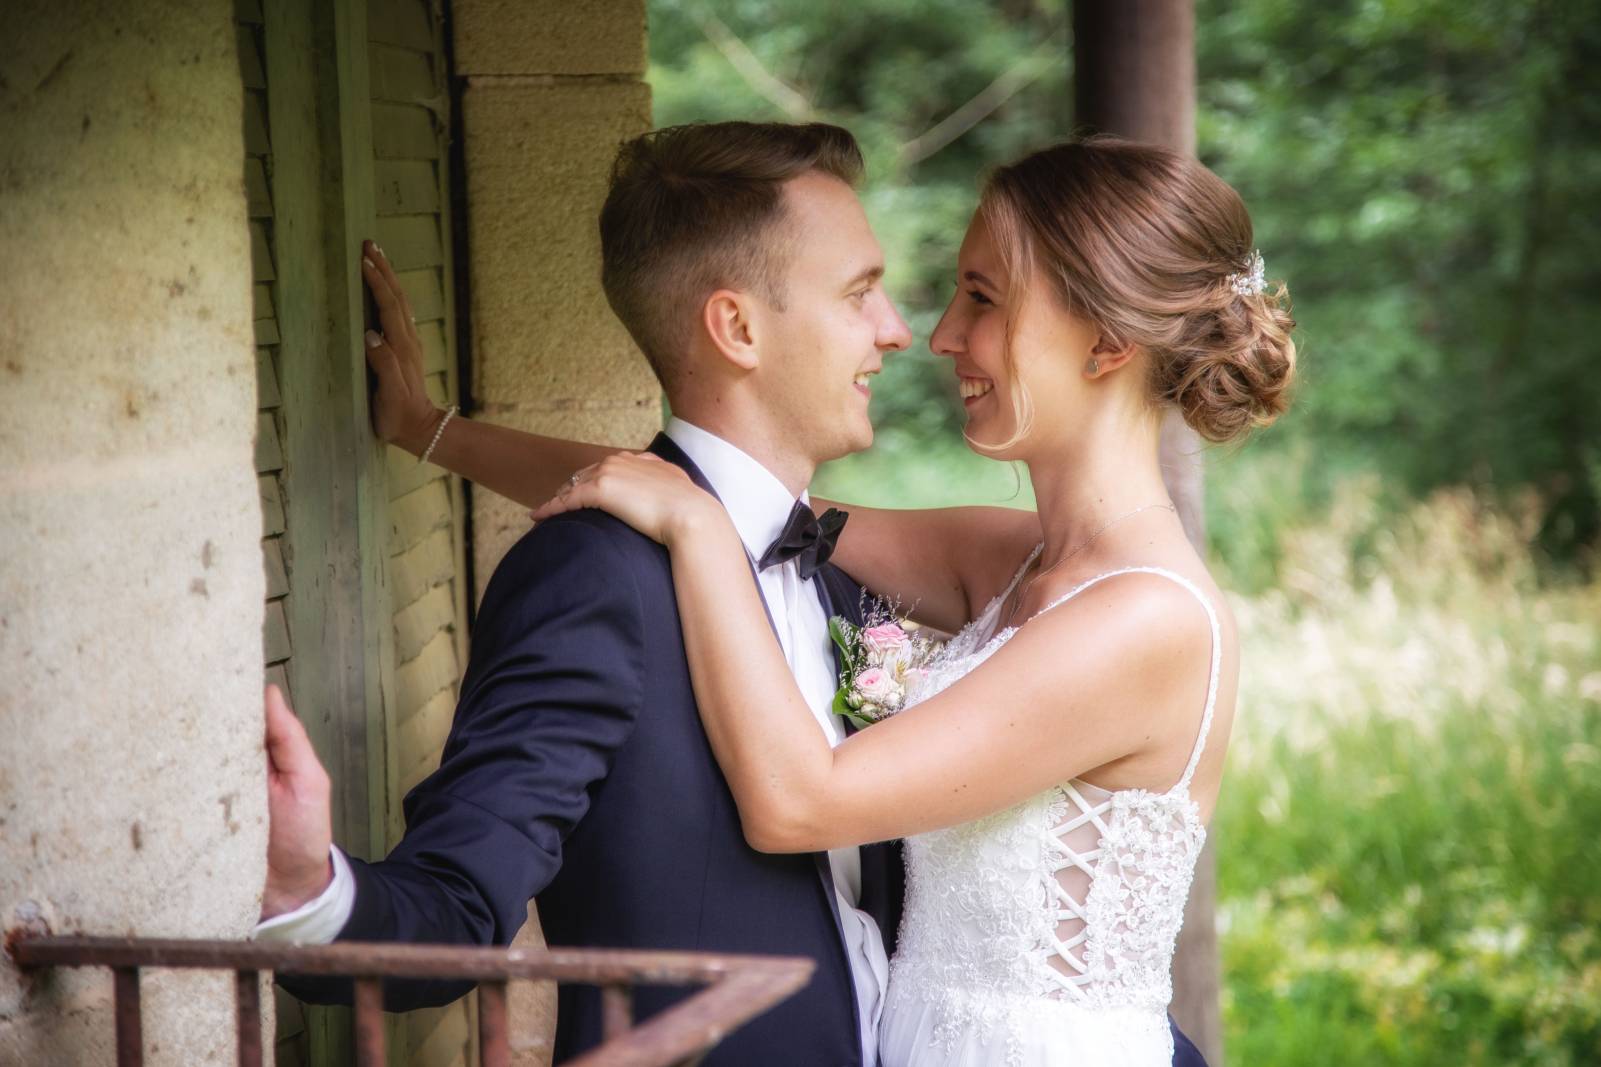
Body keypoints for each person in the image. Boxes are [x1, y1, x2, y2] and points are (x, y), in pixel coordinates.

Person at [372, 134, 1295, 1065]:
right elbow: (726, 492)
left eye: (982, 297)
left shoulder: (1143, 622)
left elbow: (799, 799)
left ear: (1105, 341)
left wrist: (696, 534)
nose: (935, 334)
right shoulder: (1010, 558)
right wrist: (429, 430)